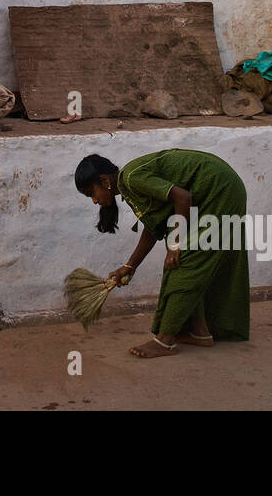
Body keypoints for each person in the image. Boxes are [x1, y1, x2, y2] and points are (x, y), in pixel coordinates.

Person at [74, 149, 251, 358]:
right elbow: (153, 226)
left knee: (183, 262)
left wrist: (175, 245)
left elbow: (183, 198)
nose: (94, 201)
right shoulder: (129, 186)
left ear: (104, 181)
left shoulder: (132, 178)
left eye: (90, 193)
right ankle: (198, 332)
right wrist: (130, 266)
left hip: (220, 190)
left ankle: (165, 341)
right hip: (214, 191)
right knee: (183, 259)